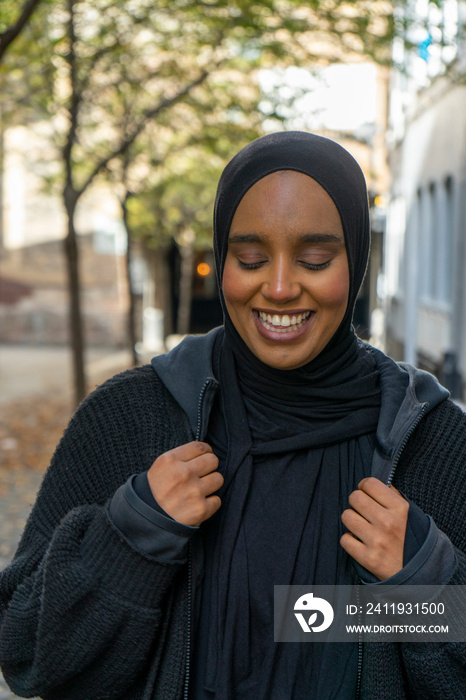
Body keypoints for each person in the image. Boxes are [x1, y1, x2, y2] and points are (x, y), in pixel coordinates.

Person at [0, 131, 465, 700]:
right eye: (250, 259)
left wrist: (423, 589)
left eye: (314, 260)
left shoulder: (436, 445)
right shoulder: (128, 420)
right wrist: (128, 542)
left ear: (357, 263)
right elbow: (22, 650)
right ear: (222, 261)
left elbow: (305, 620)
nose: (278, 287)